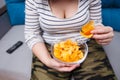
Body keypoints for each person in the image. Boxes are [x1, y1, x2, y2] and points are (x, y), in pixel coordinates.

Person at [24, 0, 117, 80]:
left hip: (86, 44)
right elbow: (32, 33)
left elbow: (95, 23)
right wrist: (48, 61)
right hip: (49, 47)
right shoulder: (34, 1)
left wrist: (102, 33)